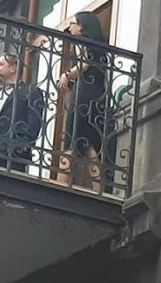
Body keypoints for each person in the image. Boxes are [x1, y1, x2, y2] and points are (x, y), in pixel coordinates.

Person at [57, 11, 110, 191]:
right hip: (98, 94)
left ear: (81, 27)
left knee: (70, 141)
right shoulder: (101, 45)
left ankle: (58, 186)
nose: (70, 27)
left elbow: (84, 62)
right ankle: (98, 190)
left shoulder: (81, 40)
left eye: (73, 23)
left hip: (83, 94)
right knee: (90, 145)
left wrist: (67, 75)